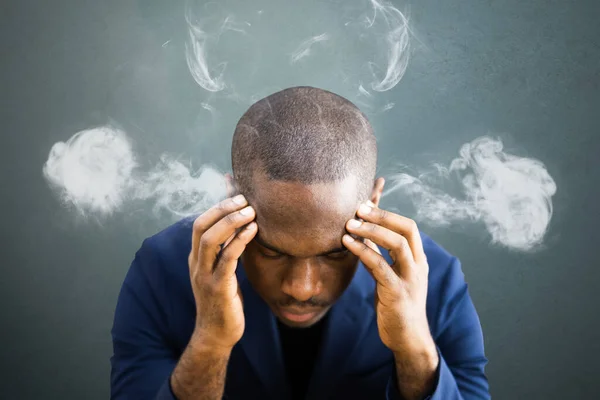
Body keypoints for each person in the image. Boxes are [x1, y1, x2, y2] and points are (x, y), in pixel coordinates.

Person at [110, 86, 490, 400]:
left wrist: (416, 351)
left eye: (336, 251)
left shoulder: (434, 279)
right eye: (272, 251)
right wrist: (210, 341)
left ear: (372, 204)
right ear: (232, 197)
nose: (302, 289)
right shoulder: (161, 267)